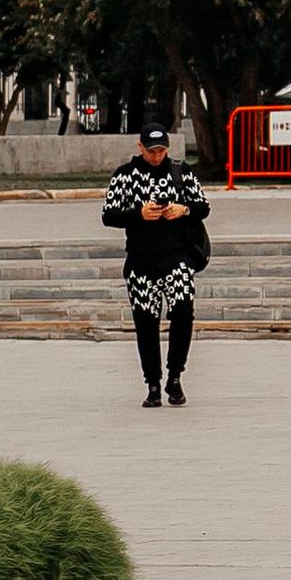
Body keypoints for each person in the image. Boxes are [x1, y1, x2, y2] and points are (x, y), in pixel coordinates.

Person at [102, 118, 207, 408]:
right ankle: (152, 384)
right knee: (146, 324)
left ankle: (175, 376)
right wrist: (139, 214)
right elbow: (108, 214)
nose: (156, 156)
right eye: (151, 150)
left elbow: (203, 207)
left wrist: (182, 209)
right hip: (141, 261)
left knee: (183, 313)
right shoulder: (125, 175)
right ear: (140, 146)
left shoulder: (181, 172)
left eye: (161, 150)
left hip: (177, 259)